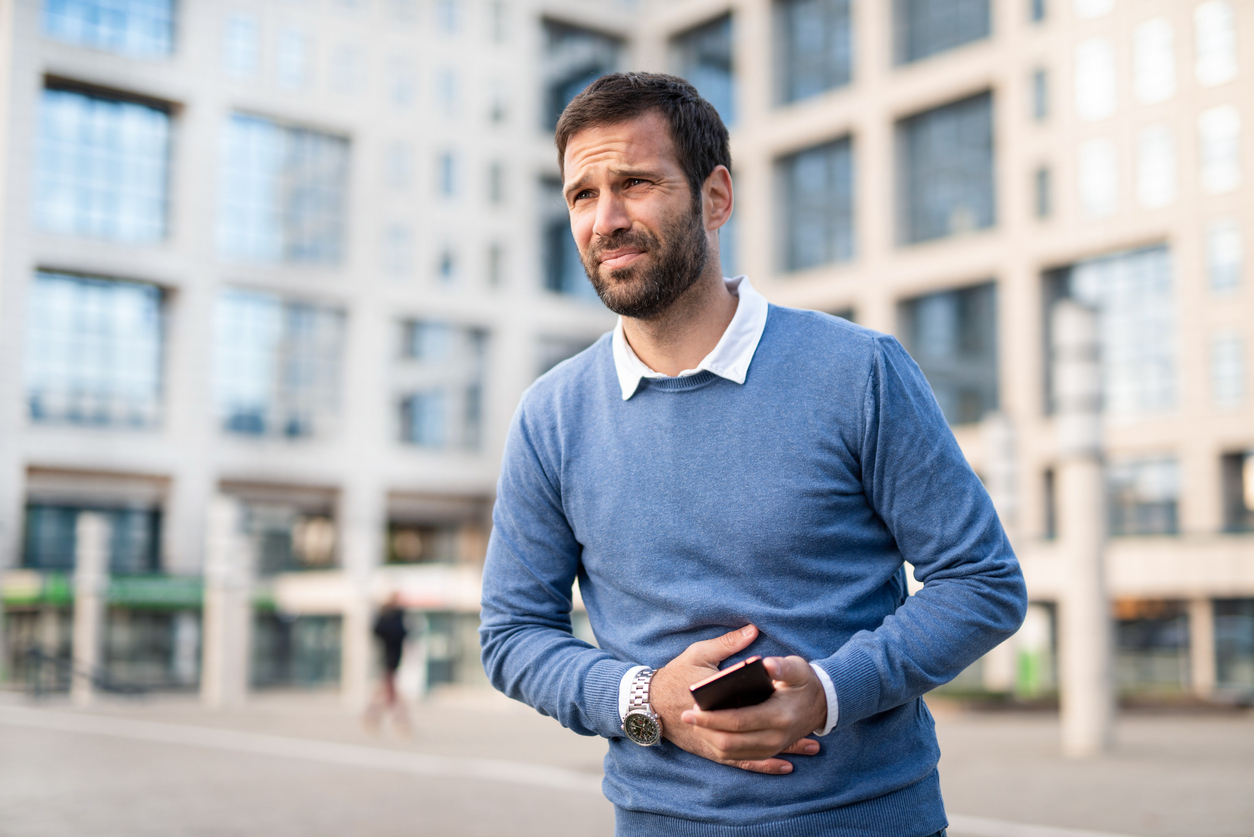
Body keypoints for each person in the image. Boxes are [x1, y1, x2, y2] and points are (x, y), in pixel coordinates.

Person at [479, 72, 1027, 837]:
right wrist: (644, 700)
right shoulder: (550, 415)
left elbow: (982, 581)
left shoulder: (858, 370)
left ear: (716, 197)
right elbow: (512, 634)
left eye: (635, 183)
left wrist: (831, 692)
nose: (605, 219)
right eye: (581, 194)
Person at [364, 593, 410, 733]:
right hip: (388, 659)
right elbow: (379, 631)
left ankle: (371, 717)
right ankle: (400, 722)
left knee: (385, 693)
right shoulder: (388, 618)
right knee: (391, 694)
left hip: (393, 660)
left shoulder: (397, 616)